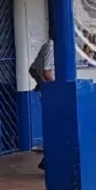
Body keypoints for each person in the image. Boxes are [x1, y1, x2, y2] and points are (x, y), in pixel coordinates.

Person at [28, 39, 54, 170]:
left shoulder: (46, 46)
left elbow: (32, 69)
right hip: (54, 95)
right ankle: (50, 160)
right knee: (58, 129)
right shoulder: (51, 47)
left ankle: (48, 160)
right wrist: (55, 87)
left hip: (48, 94)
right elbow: (46, 72)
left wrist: (41, 84)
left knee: (53, 128)